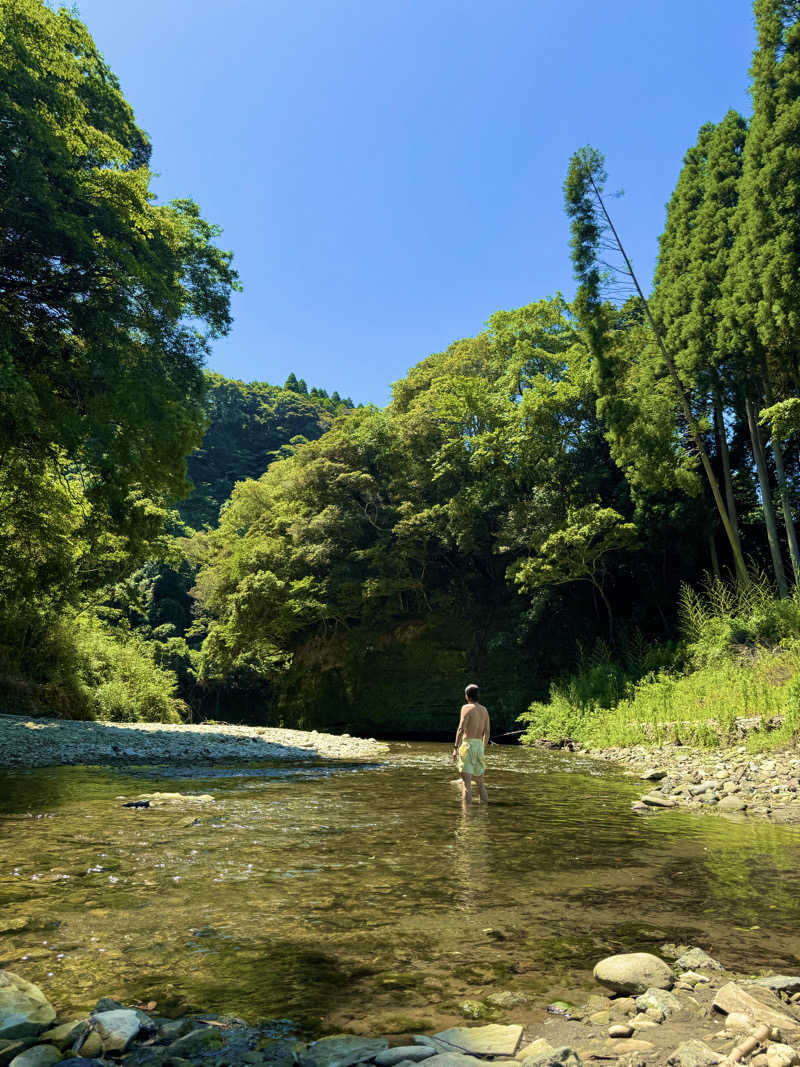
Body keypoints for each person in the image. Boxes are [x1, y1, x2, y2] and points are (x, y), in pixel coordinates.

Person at [452, 683, 490, 803]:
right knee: (481, 784)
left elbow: (461, 729)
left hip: (468, 745)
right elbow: (487, 733)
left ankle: (466, 817)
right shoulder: (484, 710)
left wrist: (455, 748)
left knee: (466, 784)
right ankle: (484, 812)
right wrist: (482, 748)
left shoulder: (466, 708)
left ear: (467, 696)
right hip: (479, 746)